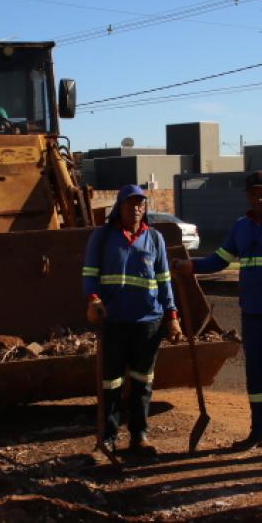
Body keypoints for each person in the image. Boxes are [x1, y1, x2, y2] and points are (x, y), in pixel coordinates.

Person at [172, 170, 262, 464]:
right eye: (253, 193)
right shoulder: (242, 227)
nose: (259, 197)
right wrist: (190, 266)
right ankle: (261, 432)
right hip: (252, 316)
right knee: (257, 379)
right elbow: (219, 260)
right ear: (247, 196)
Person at [82, 184, 182, 457]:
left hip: (148, 321)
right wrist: (93, 300)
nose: (136, 208)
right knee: (111, 382)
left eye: (141, 204)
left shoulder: (155, 239)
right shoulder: (103, 237)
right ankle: (107, 439)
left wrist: (172, 316)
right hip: (114, 321)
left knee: (141, 381)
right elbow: (90, 273)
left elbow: (164, 281)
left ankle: (140, 436)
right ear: (120, 206)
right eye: (130, 204)